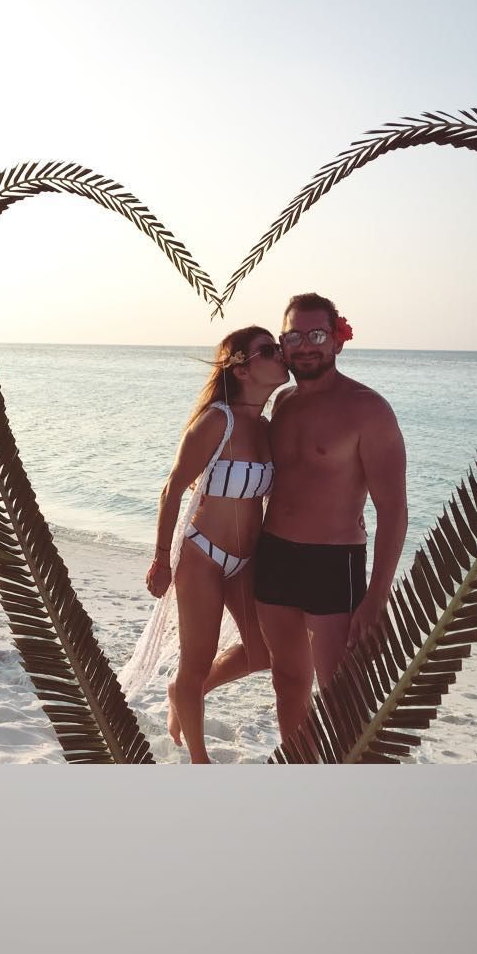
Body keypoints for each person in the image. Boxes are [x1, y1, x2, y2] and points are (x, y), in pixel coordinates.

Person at [205, 292, 407, 756]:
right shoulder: (282, 402)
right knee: (288, 679)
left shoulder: (368, 409)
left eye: (316, 334)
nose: (305, 346)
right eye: (293, 337)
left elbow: (394, 510)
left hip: (333, 563)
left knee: (342, 694)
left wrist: (378, 595)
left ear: (337, 340)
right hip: (274, 555)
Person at [138, 326, 288, 764]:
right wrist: (160, 559)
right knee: (196, 660)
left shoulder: (266, 427)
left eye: (278, 348)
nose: (280, 354)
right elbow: (172, 490)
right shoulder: (217, 420)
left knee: (263, 652)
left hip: (245, 559)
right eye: (268, 350)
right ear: (241, 369)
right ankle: (200, 761)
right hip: (202, 555)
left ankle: (186, 694)